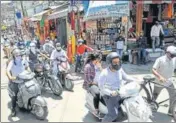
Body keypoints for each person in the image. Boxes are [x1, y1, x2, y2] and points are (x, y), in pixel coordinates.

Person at [98, 52, 136, 122]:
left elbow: (126, 77)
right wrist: (111, 93)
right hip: (109, 96)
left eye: (118, 61)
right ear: (109, 63)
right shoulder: (104, 73)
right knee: (113, 114)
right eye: (115, 62)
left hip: (120, 92)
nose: (117, 64)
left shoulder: (120, 70)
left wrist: (136, 80)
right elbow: (101, 87)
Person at [152, 45, 176, 116]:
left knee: (173, 96)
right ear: (167, 53)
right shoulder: (160, 59)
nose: (173, 56)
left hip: (169, 81)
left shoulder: (174, 59)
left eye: (174, 55)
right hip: (159, 82)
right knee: (154, 96)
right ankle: (150, 107)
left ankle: (171, 112)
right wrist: (160, 77)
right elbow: (153, 70)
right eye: (172, 55)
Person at [6, 48, 30, 117]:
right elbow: (8, 70)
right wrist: (10, 77)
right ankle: (13, 108)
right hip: (15, 81)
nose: (18, 56)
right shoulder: (12, 62)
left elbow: (27, 67)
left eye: (19, 55)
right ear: (14, 56)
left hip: (23, 80)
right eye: (16, 55)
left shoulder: (23, 60)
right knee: (14, 95)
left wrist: (29, 72)